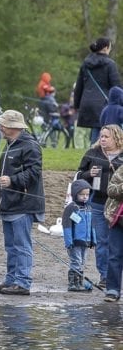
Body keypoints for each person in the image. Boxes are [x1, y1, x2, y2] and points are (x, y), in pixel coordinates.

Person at [0, 110, 44, 296]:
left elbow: (34, 173)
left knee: (22, 245)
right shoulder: (10, 144)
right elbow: (6, 170)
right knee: (11, 245)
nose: (0, 127)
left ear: (14, 127)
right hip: (8, 202)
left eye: (3, 124)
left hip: (23, 203)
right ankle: (11, 280)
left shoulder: (30, 146)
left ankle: (22, 282)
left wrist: (12, 180)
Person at [77, 124, 123, 288]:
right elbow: (78, 175)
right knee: (102, 241)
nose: (102, 139)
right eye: (101, 136)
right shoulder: (92, 153)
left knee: (116, 242)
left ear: (116, 138)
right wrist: (89, 174)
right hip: (97, 203)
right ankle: (105, 277)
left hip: (119, 206)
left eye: (106, 136)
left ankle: (116, 277)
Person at [75, 37, 121, 144]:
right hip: (104, 103)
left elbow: (79, 86)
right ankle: (96, 157)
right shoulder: (110, 64)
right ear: (105, 48)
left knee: (96, 132)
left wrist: (77, 105)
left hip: (87, 103)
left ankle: (94, 155)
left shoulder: (85, 64)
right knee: (103, 133)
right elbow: (116, 87)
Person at [62, 179, 95, 292]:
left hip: (85, 242)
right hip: (75, 242)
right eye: (82, 194)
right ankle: (73, 283)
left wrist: (93, 240)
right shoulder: (71, 208)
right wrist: (68, 241)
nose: (85, 197)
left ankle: (79, 282)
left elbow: (92, 225)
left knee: (82, 262)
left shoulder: (89, 208)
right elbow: (66, 226)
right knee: (76, 261)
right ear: (75, 194)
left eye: (87, 194)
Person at [103, 163, 123, 302]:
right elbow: (110, 190)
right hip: (118, 220)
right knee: (114, 255)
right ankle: (112, 289)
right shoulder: (122, 169)